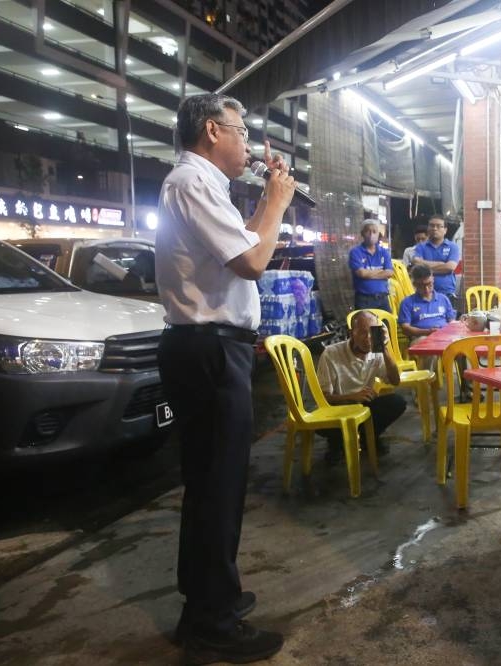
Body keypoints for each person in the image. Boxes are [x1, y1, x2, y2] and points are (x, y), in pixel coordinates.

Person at [156, 93, 295, 663]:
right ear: (213, 130)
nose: (247, 144)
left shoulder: (202, 185)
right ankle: (214, 621)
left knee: (215, 486)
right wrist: (276, 201)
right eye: (240, 131)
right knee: (217, 487)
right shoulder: (193, 182)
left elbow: (242, 256)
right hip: (208, 350)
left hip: (213, 348)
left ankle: (208, 604)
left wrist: (267, 200)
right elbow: (252, 261)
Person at [317, 310, 406, 463]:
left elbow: (395, 380)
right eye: (363, 333)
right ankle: (338, 443)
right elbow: (323, 399)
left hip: (362, 405)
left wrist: (384, 349)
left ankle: (368, 437)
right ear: (352, 333)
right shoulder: (331, 354)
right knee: (327, 427)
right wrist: (352, 396)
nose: (369, 339)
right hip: (336, 408)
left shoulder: (377, 352)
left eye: (373, 333)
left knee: (397, 402)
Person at [412, 215, 460, 310]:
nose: (434, 229)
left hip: (447, 293)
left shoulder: (452, 247)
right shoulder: (421, 247)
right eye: (432, 225)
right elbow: (416, 263)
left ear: (445, 230)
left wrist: (425, 268)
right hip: (424, 293)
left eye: (439, 226)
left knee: (447, 323)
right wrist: (441, 264)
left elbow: (450, 267)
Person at [399, 264, 456, 340]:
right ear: (414, 284)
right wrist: (427, 332)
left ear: (433, 279)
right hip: (421, 338)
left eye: (429, 284)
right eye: (421, 285)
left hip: (444, 337)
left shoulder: (443, 299)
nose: (426, 289)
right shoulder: (407, 302)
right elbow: (405, 329)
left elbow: (451, 322)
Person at [348, 220, 393, 311]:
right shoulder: (356, 252)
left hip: (383, 299)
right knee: (366, 325)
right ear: (362, 233)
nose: (371, 234)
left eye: (374, 231)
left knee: (386, 324)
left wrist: (368, 273)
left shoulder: (384, 252)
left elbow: (390, 273)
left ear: (378, 234)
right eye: (368, 231)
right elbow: (361, 273)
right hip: (364, 300)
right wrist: (381, 272)